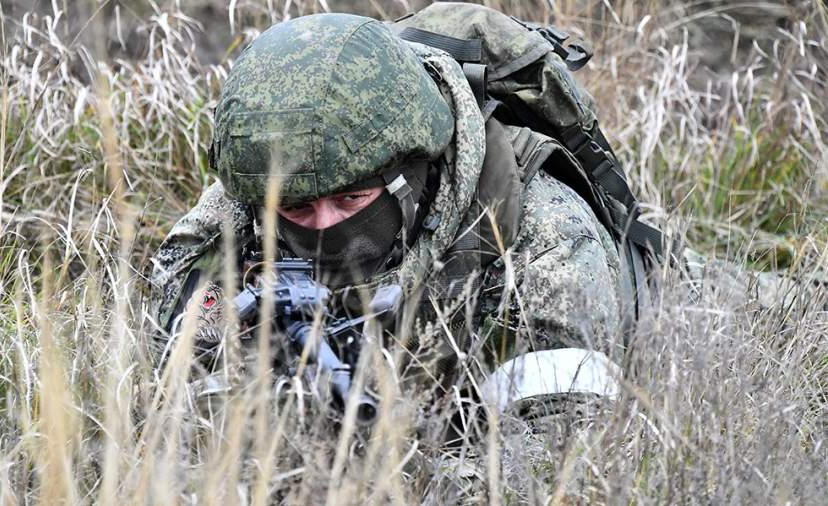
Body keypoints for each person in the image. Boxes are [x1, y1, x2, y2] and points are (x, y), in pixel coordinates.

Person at [146, 6, 818, 421]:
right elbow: (171, 345)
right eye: (297, 208)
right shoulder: (253, 197)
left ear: (414, 173)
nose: (323, 226)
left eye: (352, 201)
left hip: (698, 311)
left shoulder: (547, 243)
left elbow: (551, 464)